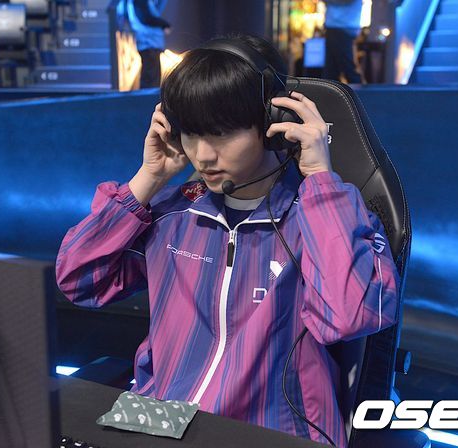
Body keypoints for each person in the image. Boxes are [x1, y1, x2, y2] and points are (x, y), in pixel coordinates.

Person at [55, 34, 399, 448]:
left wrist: (321, 182)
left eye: (220, 134)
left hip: (267, 431)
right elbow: (79, 281)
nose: (202, 156)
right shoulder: (171, 213)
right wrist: (148, 178)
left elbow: (351, 316)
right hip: (159, 419)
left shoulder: (327, 218)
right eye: (190, 133)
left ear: (272, 125)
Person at [124, 0, 171, 88]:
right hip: (149, 43)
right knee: (151, 78)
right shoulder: (139, 2)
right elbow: (147, 18)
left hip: (148, 43)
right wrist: (165, 24)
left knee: (149, 76)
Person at [323, 0, 364, 84]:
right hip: (337, 27)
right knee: (332, 69)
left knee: (347, 67)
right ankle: (331, 90)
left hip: (343, 27)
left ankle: (358, 90)